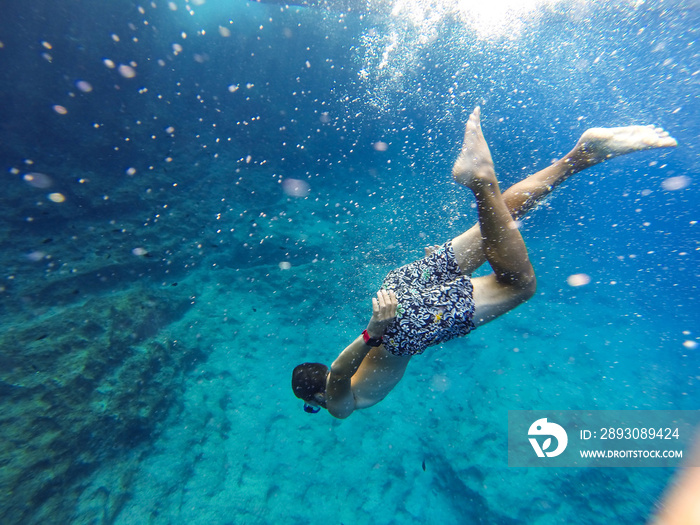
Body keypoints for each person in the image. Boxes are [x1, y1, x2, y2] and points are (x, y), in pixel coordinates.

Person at [292, 106, 677, 419]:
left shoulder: (339, 402)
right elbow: (338, 367)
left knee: (519, 285)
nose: (320, 406)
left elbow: (341, 372)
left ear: (317, 396)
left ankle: (480, 177)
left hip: (405, 325)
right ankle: (581, 156)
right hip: (400, 288)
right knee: (499, 218)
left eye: (313, 404)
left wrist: (373, 331)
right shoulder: (339, 374)